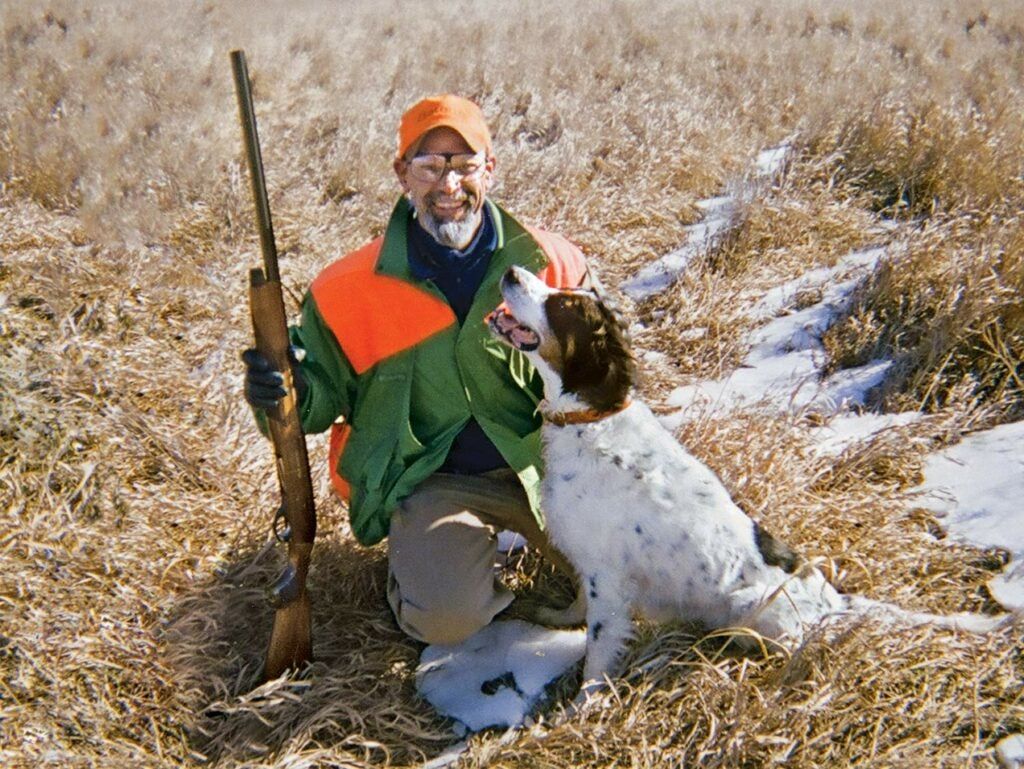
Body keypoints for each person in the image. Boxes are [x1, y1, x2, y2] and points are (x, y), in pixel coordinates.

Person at [243, 94, 596, 645]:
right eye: (430, 166)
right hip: (434, 481)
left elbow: (603, 374)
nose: (449, 185)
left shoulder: (553, 263)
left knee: (637, 581)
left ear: (491, 169)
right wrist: (278, 390)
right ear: (402, 174)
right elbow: (313, 400)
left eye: (464, 165)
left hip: (549, 467)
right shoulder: (347, 289)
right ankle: (429, 564)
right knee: (445, 620)